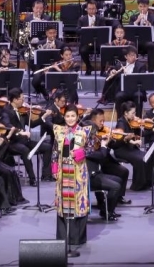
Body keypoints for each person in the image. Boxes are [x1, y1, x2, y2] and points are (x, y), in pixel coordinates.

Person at [51, 104, 95, 246]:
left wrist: (80, 153)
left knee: (78, 202)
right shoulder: (58, 131)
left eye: (73, 116)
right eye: (67, 116)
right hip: (62, 171)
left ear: (77, 117)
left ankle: (77, 238)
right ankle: (63, 237)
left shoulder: (85, 131)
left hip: (79, 171)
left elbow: (91, 148)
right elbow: (54, 151)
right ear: (64, 117)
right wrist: (54, 168)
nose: (70, 119)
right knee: (63, 203)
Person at [112, 101, 153, 192]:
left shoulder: (131, 121)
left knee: (147, 156)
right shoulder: (121, 123)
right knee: (140, 159)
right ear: (126, 113)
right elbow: (121, 138)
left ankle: (147, 182)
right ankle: (137, 185)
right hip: (122, 149)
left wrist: (140, 125)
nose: (134, 115)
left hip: (130, 148)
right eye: (133, 113)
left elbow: (141, 134)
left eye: (135, 113)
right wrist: (133, 142)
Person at [78, 0, 106, 75]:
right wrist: (86, 29)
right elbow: (77, 30)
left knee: (104, 50)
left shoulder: (101, 19)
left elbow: (104, 31)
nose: (91, 10)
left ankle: (103, 70)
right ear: (86, 9)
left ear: (96, 9)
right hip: (87, 42)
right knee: (82, 50)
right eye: (89, 9)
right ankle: (89, 67)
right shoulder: (82, 19)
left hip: (98, 42)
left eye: (93, 9)